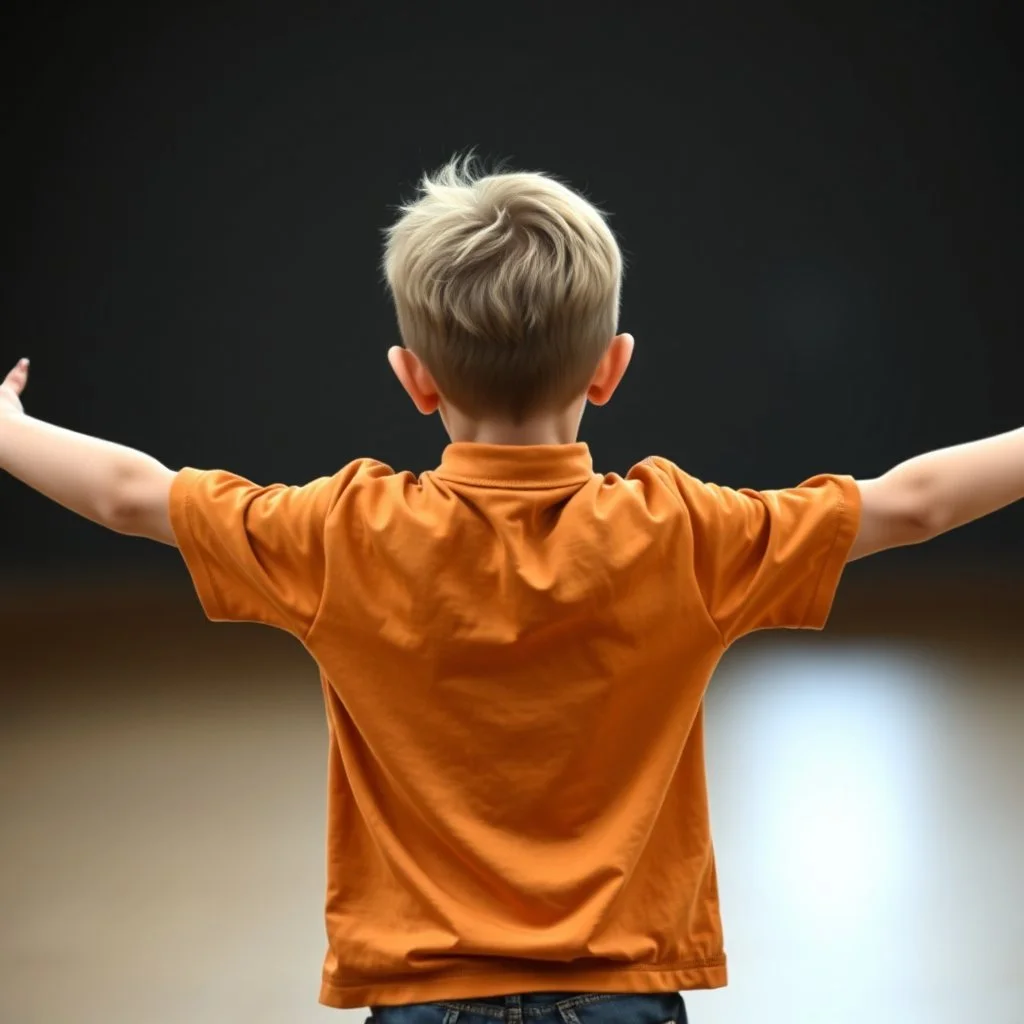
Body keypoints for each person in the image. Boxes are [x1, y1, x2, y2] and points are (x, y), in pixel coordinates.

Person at [0, 153, 1020, 1024]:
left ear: (415, 378)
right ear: (611, 367)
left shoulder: (342, 535)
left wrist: (9, 428)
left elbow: (134, 496)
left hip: (422, 992)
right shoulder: (685, 536)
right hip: (624, 988)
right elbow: (913, 503)